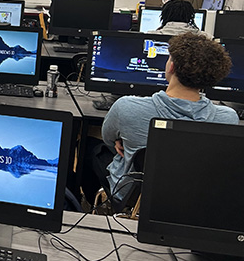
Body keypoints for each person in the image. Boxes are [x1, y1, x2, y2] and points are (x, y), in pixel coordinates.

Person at [83, 32, 237, 204]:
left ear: (171, 66)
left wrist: (126, 138)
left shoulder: (126, 107)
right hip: (194, 200)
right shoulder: (228, 119)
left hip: (133, 198)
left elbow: (108, 138)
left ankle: (88, 210)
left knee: (91, 148)